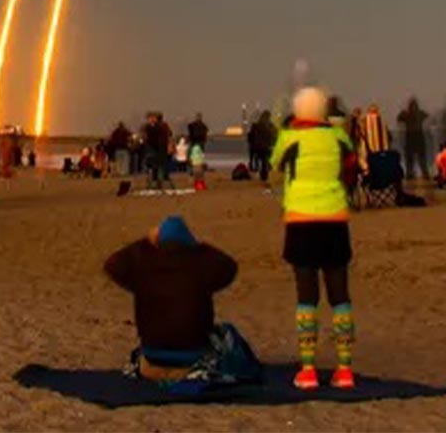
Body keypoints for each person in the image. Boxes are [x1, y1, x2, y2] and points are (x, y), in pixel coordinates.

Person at [269, 86, 357, 390]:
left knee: (306, 297)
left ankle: (308, 368)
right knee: (340, 295)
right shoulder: (339, 136)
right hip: (334, 219)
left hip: (301, 220)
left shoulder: (289, 137)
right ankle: (344, 368)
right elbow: (351, 171)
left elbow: (276, 165)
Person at [105, 216, 256, 387]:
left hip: (152, 357)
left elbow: (113, 265)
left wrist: (146, 243)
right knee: (227, 335)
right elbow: (229, 267)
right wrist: (199, 248)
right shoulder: (201, 264)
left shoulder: (145, 265)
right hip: (192, 358)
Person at [397, 98, 430, 181]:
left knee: (418, 158)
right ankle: (413, 174)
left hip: (415, 136)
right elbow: (399, 118)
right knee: (412, 158)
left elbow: (399, 118)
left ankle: (421, 174)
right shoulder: (413, 114)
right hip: (413, 136)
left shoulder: (413, 114)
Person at [142, 112, 173, 187]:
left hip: (154, 148)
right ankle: (162, 180)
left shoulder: (150, 127)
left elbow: (147, 137)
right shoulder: (164, 126)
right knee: (162, 165)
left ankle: (155, 181)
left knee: (154, 166)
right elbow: (169, 135)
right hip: (161, 148)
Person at [249, 111, 277, 183]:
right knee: (265, 161)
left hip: (258, 148)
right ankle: (264, 171)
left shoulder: (255, 126)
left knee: (263, 161)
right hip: (265, 148)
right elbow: (274, 136)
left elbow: (251, 138)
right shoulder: (270, 126)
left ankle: (257, 167)